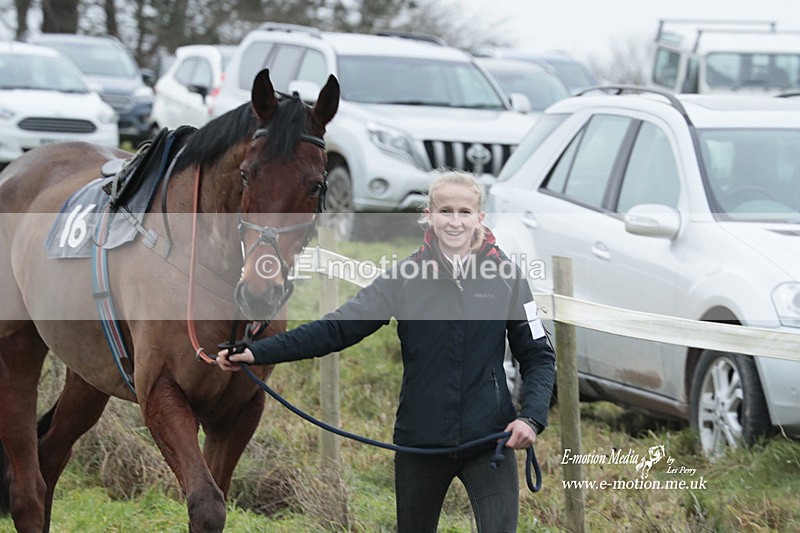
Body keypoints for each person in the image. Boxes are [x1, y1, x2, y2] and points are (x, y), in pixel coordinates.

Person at [218, 170, 556, 532]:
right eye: (445, 211)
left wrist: (531, 417)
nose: (454, 221)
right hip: (420, 443)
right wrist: (258, 352)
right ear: (428, 214)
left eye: (464, 212)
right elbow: (337, 328)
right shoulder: (404, 277)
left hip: (490, 441)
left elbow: (538, 355)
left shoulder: (508, 277)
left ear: (480, 218)